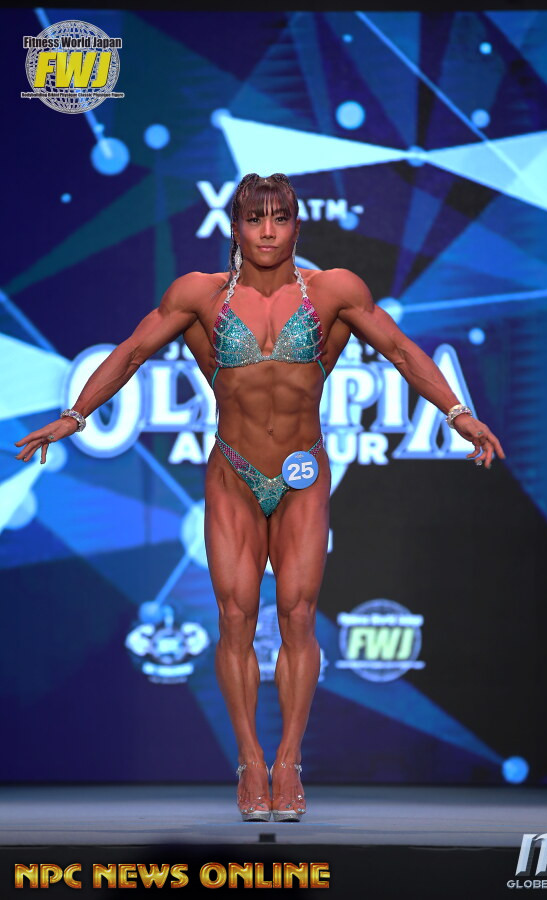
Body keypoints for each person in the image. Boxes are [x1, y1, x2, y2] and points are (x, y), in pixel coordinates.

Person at [14, 172, 506, 822]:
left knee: (299, 615)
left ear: (297, 224)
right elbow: (131, 353)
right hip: (234, 473)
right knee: (235, 618)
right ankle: (250, 758)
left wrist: (457, 412)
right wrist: (75, 416)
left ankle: (289, 759)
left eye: (279, 218)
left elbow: (398, 349)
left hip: (303, 474)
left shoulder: (334, 290)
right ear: (236, 227)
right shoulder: (199, 295)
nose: (267, 232)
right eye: (255, 219)